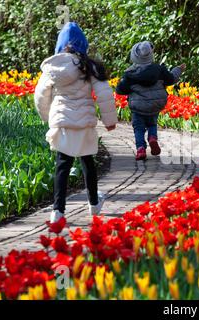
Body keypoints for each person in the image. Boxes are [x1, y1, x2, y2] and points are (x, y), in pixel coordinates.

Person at [34, 22, 118, 223]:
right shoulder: (89, 66)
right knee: (88, 163)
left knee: (62, 166)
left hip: (62, 123)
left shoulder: (52, 68)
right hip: (84, 123)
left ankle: (57, 211)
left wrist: (48, 117)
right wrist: (109, 121)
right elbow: (104, 93)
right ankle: (94, 203)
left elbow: (40, 96)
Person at [115, 41, 185, 160]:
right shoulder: (158, 70)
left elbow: (120, 90)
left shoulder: (130, 74)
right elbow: (171, 79)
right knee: (152, 123)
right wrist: (178, 69)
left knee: (139, 128)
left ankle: (141, 149)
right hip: (154, 105)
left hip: (138, 107)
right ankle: (152, 138)